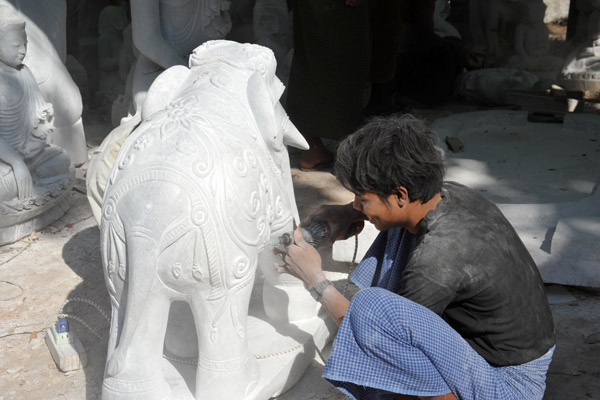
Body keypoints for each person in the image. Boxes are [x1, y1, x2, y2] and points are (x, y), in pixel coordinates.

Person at [274, 114, 555, 399]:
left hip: (508, 384)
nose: (359, 204)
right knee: (397, 227)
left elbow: (381, 327)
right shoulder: (447, 196)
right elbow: (397, 211)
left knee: (370, 308)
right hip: (514, 355)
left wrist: (315, 281)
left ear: (399, 194)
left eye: (362, 198)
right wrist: (350, 212)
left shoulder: (437, 259)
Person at [0, 5, 71, 203]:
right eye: (16, 45)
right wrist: (15, 162)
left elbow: (38, 118)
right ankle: (24, 179)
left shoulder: (25, 74)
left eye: (25, 44)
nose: (23, 50)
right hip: (4, 161)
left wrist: (36, 140)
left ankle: (28, 178)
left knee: (62, 159)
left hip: (29, 154)